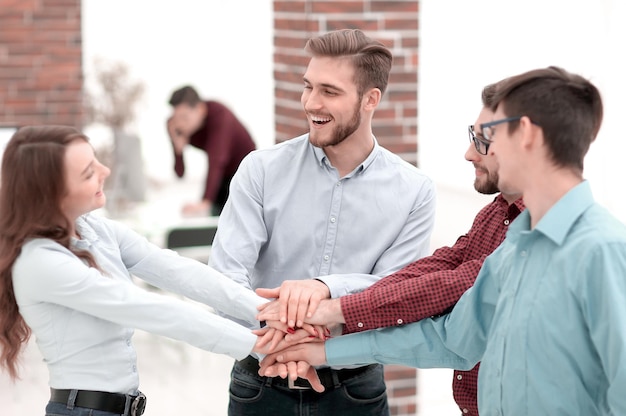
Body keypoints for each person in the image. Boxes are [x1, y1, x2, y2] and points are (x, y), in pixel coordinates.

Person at [260, 66, 626, 415]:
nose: (475, 151)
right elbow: (451, 340)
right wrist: (320, 351)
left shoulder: (603, 251)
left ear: (526, 134)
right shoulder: (516, 246)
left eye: (487, 137)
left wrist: (334, 315)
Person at [256, 82, 525, 415]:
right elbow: (441, 266)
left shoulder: (535, 234)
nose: (469, 154)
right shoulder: (498, 212)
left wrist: (333, 316)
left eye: (483, 142)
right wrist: (333, 314)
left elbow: (454, 313)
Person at [208, 29, 437, 416]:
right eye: (308, 86)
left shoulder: (414, 191)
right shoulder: (260, 170)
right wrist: (284, 339)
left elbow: (396, 291)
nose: (311, 102)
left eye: (329, 91)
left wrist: (323, 289)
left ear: (371, 99)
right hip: (259, 384)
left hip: (354, 392)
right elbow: (225, 278)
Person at [0, 125, 283, 416]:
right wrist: (264, 345)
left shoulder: (94, 228)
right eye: (88, 172)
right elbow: (149, 309)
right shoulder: (40, 261)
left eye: (96, 160)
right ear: (51, 194)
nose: (105, 171)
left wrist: (269, 312)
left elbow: (176, 270)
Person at [167, 85, 256, 216]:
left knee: (235, 215)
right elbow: (180, 174)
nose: (180, 123)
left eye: (185, 117)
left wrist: (205, 202)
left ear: (201, 109)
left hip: (245, 168)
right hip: (221, 174)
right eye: (177, 117)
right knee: (213, 215)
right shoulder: (174, 126)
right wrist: (178, 151)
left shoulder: (219, 116)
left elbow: (216, 160)